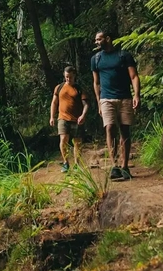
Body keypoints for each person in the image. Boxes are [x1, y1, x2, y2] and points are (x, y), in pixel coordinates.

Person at [91, 30, 140, 181]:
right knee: (110, 128)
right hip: (106, 99)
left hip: (125, 97)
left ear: (108, 38)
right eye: (96, 40)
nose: (97, 42)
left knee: (125, 130)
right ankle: (114, 166)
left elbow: (134, 76)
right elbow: (96, 82)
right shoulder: (96, 59)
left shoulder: (124, 56)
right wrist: (99, 101)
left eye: (99, 39)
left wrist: (137, 95)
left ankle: (125, 166)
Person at [49, 65, 88, 172]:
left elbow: (85, 104)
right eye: (66, 77)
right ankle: (66, 162)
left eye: (70, 77)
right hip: (62, 118)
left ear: (74, 76)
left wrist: (83, 115)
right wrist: (52, 116)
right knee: (63, 139)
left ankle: (77, 164)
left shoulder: (79, 89)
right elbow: (54, 102)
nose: (68, 79)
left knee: (77, 142)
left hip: (76, 119)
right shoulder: (59, 87)